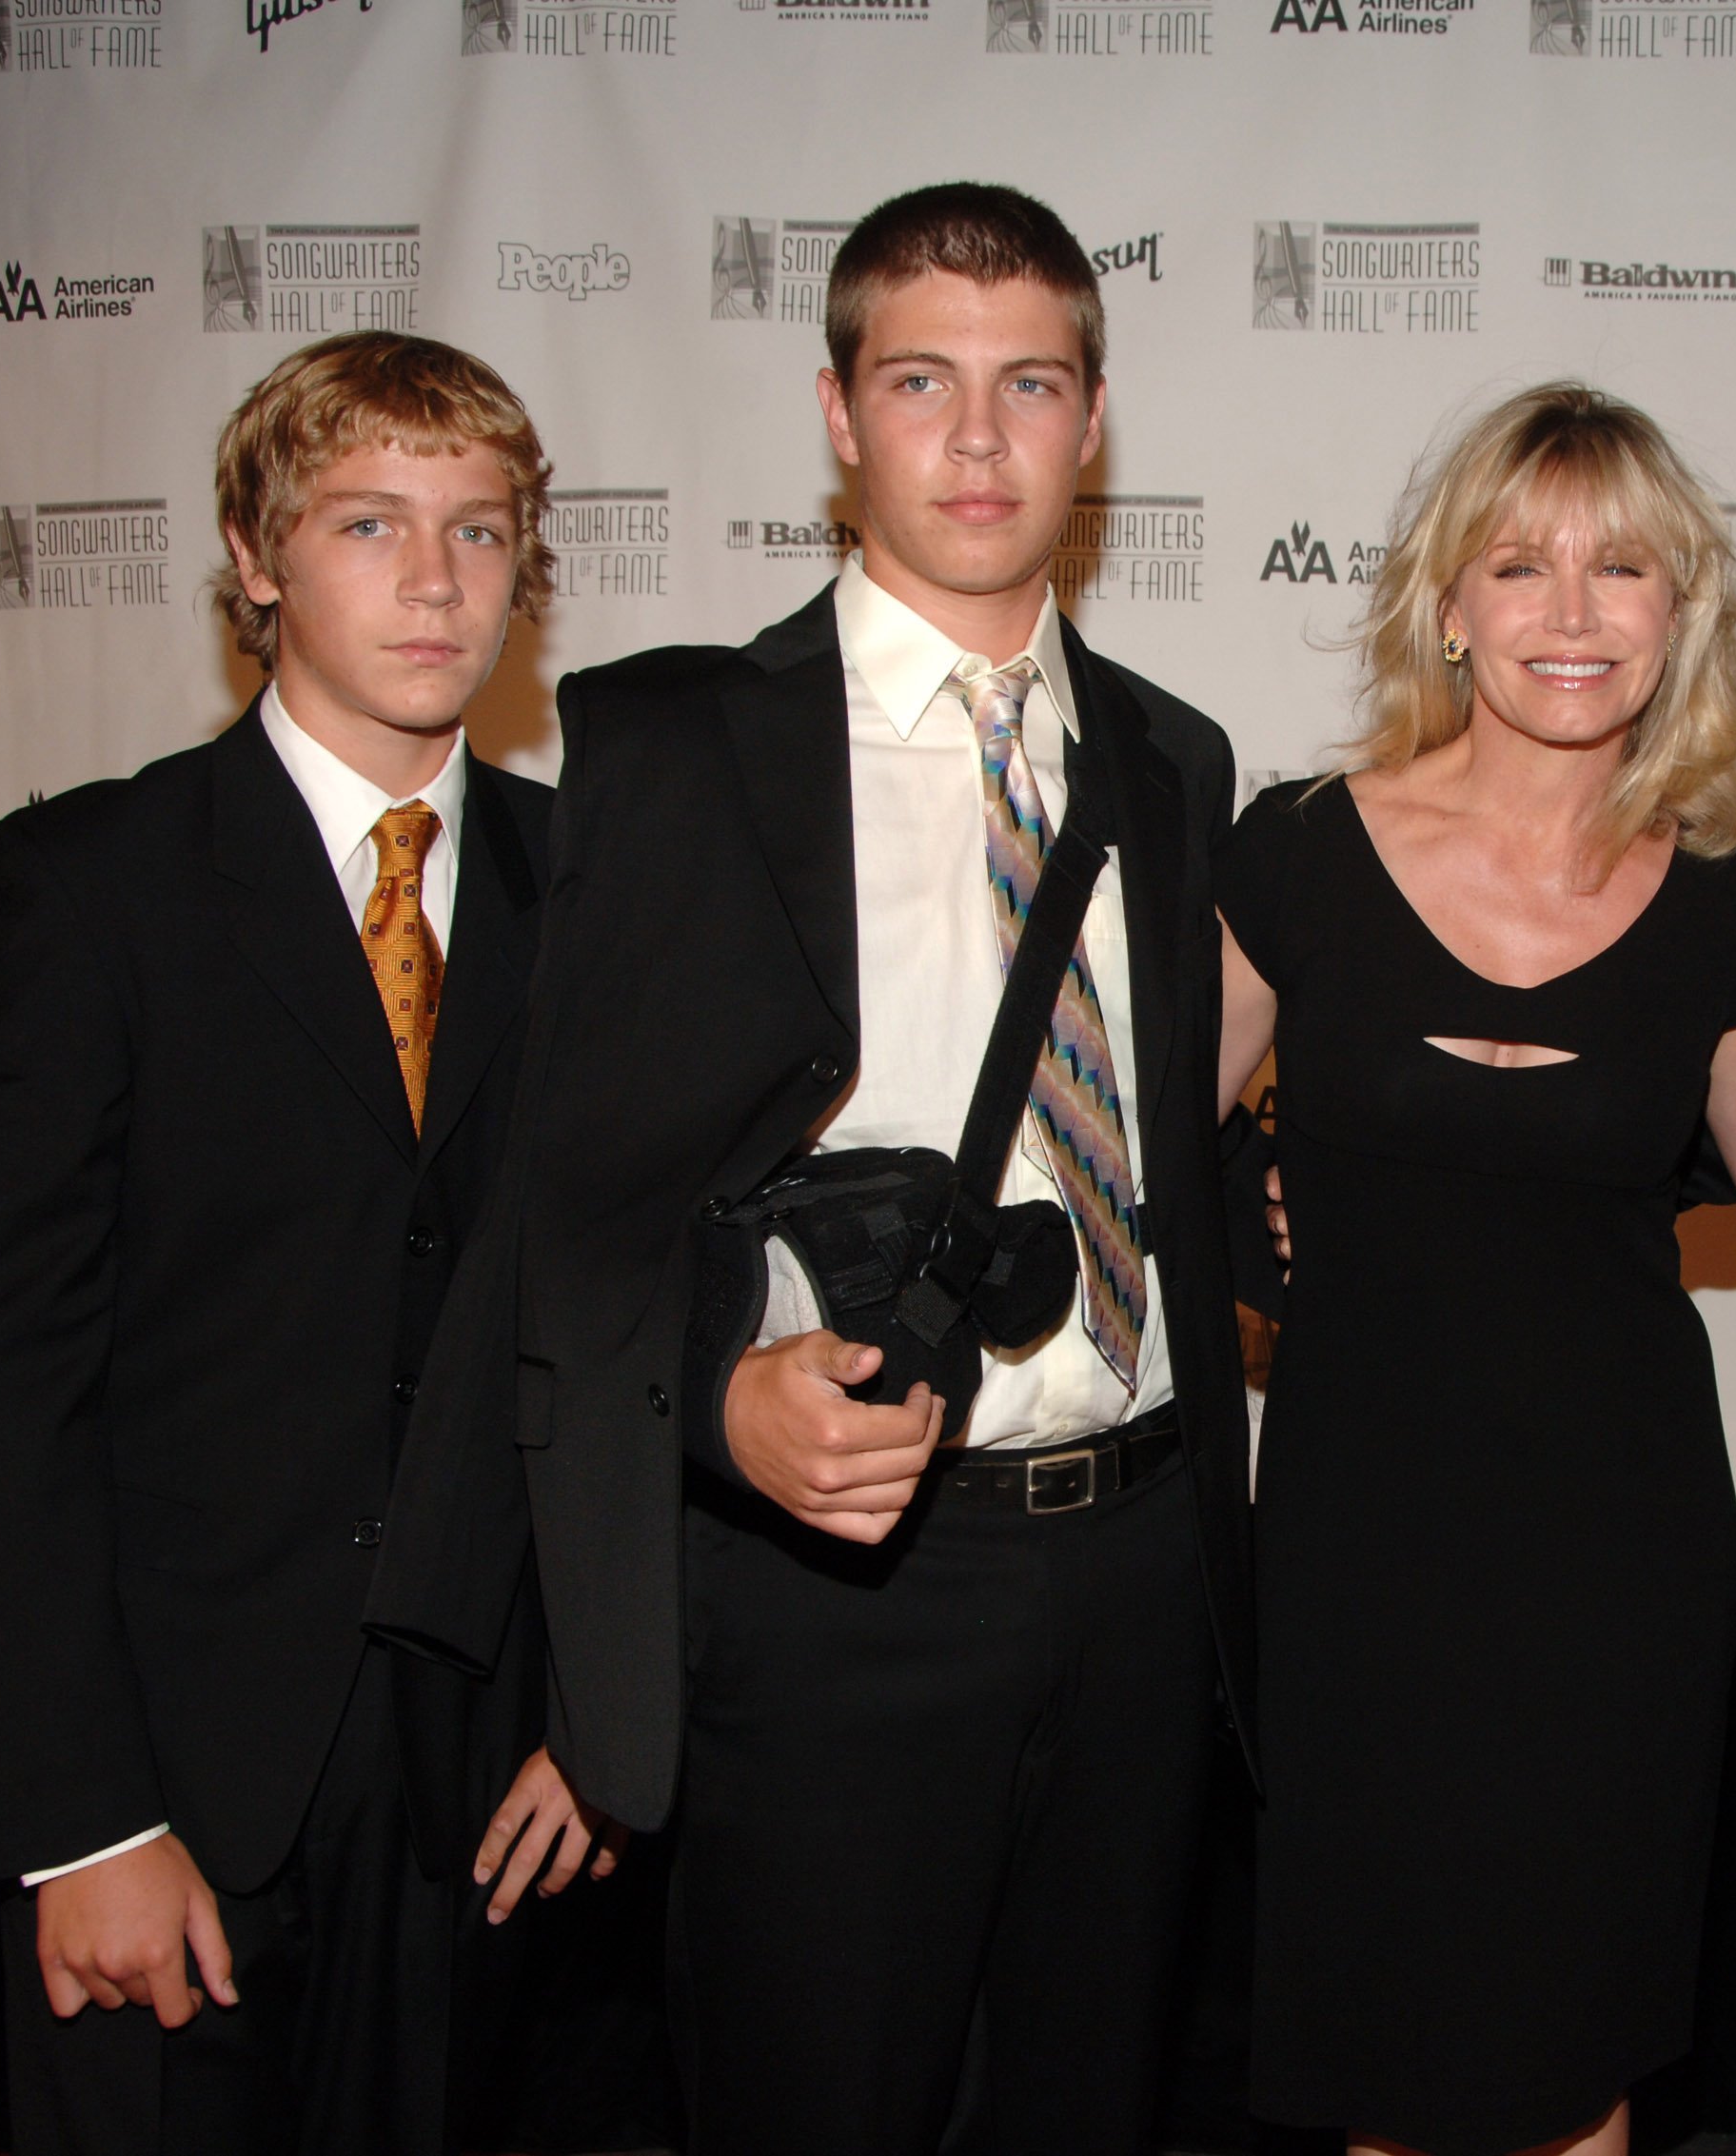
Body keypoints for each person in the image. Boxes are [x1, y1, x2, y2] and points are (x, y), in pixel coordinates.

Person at [365, 182, 1257, 2156]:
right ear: (840, 412)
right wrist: (716, 1400)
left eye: (1030, 384)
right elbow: (563, 1216)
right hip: (835, 1588)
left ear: (1092, 422)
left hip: (1138, 1571)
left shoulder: (1175, 762)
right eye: (920, 380)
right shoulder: (678, 745)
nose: (975, 436)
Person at [0, 331, 617, 2156]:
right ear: (253, 554)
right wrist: (81, 1820)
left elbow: (630, 1328)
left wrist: (603, 1717)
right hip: (172, 1777)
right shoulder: (97, 884)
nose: (434, 579)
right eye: (370, 522)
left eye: (480, 531)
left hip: (492, 1788)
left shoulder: (602, 888)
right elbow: (6, 1389)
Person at [1216, 383, 1736, 2156]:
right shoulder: (1303, 856)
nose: (1571, 614)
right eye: (1521, 565)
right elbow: (1121, 1148)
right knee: (1383, 2043)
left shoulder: (1733, 912)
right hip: (1361, 1545)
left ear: (1678, 613)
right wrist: (1249, 1187)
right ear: (1449, 605)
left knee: (1578, 2053)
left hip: (1618, 1560)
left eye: (1620, 568)